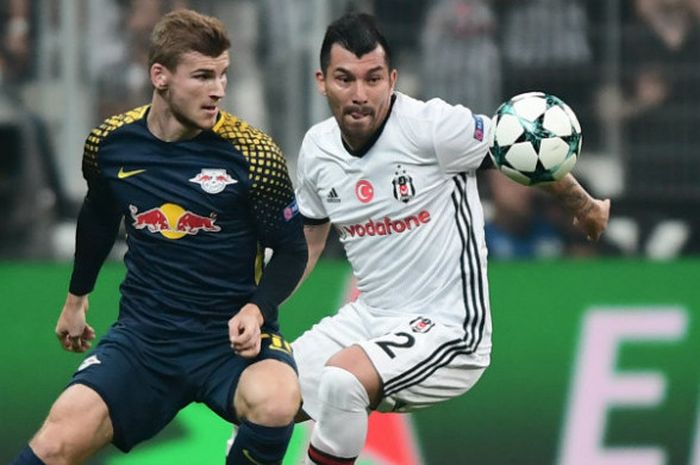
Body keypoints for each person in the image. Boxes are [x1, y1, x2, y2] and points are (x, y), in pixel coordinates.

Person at [281, 12, 609, 465]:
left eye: (373, 79)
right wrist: (261, 305)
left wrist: (584, 205)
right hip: (369, 319)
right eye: (345, 79)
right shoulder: (317, 149)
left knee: (341, 380)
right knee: (264, 396)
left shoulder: (433, 127)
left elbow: (524, 147)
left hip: (450, 328)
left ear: (392, 79)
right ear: (322, 81)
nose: (360, 94)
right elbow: (310, 242)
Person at [10, 8, 307, 465]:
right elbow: (99, 217)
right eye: (203, 76)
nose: (218, 91)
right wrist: (76, 299)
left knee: (277, 398)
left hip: (227, 340)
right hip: (145, 341)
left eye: (223, 75)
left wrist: (257, 308)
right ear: (160, 76)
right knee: (54, 443)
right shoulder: (110, 144)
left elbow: (291, 248)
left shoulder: (254, 153)